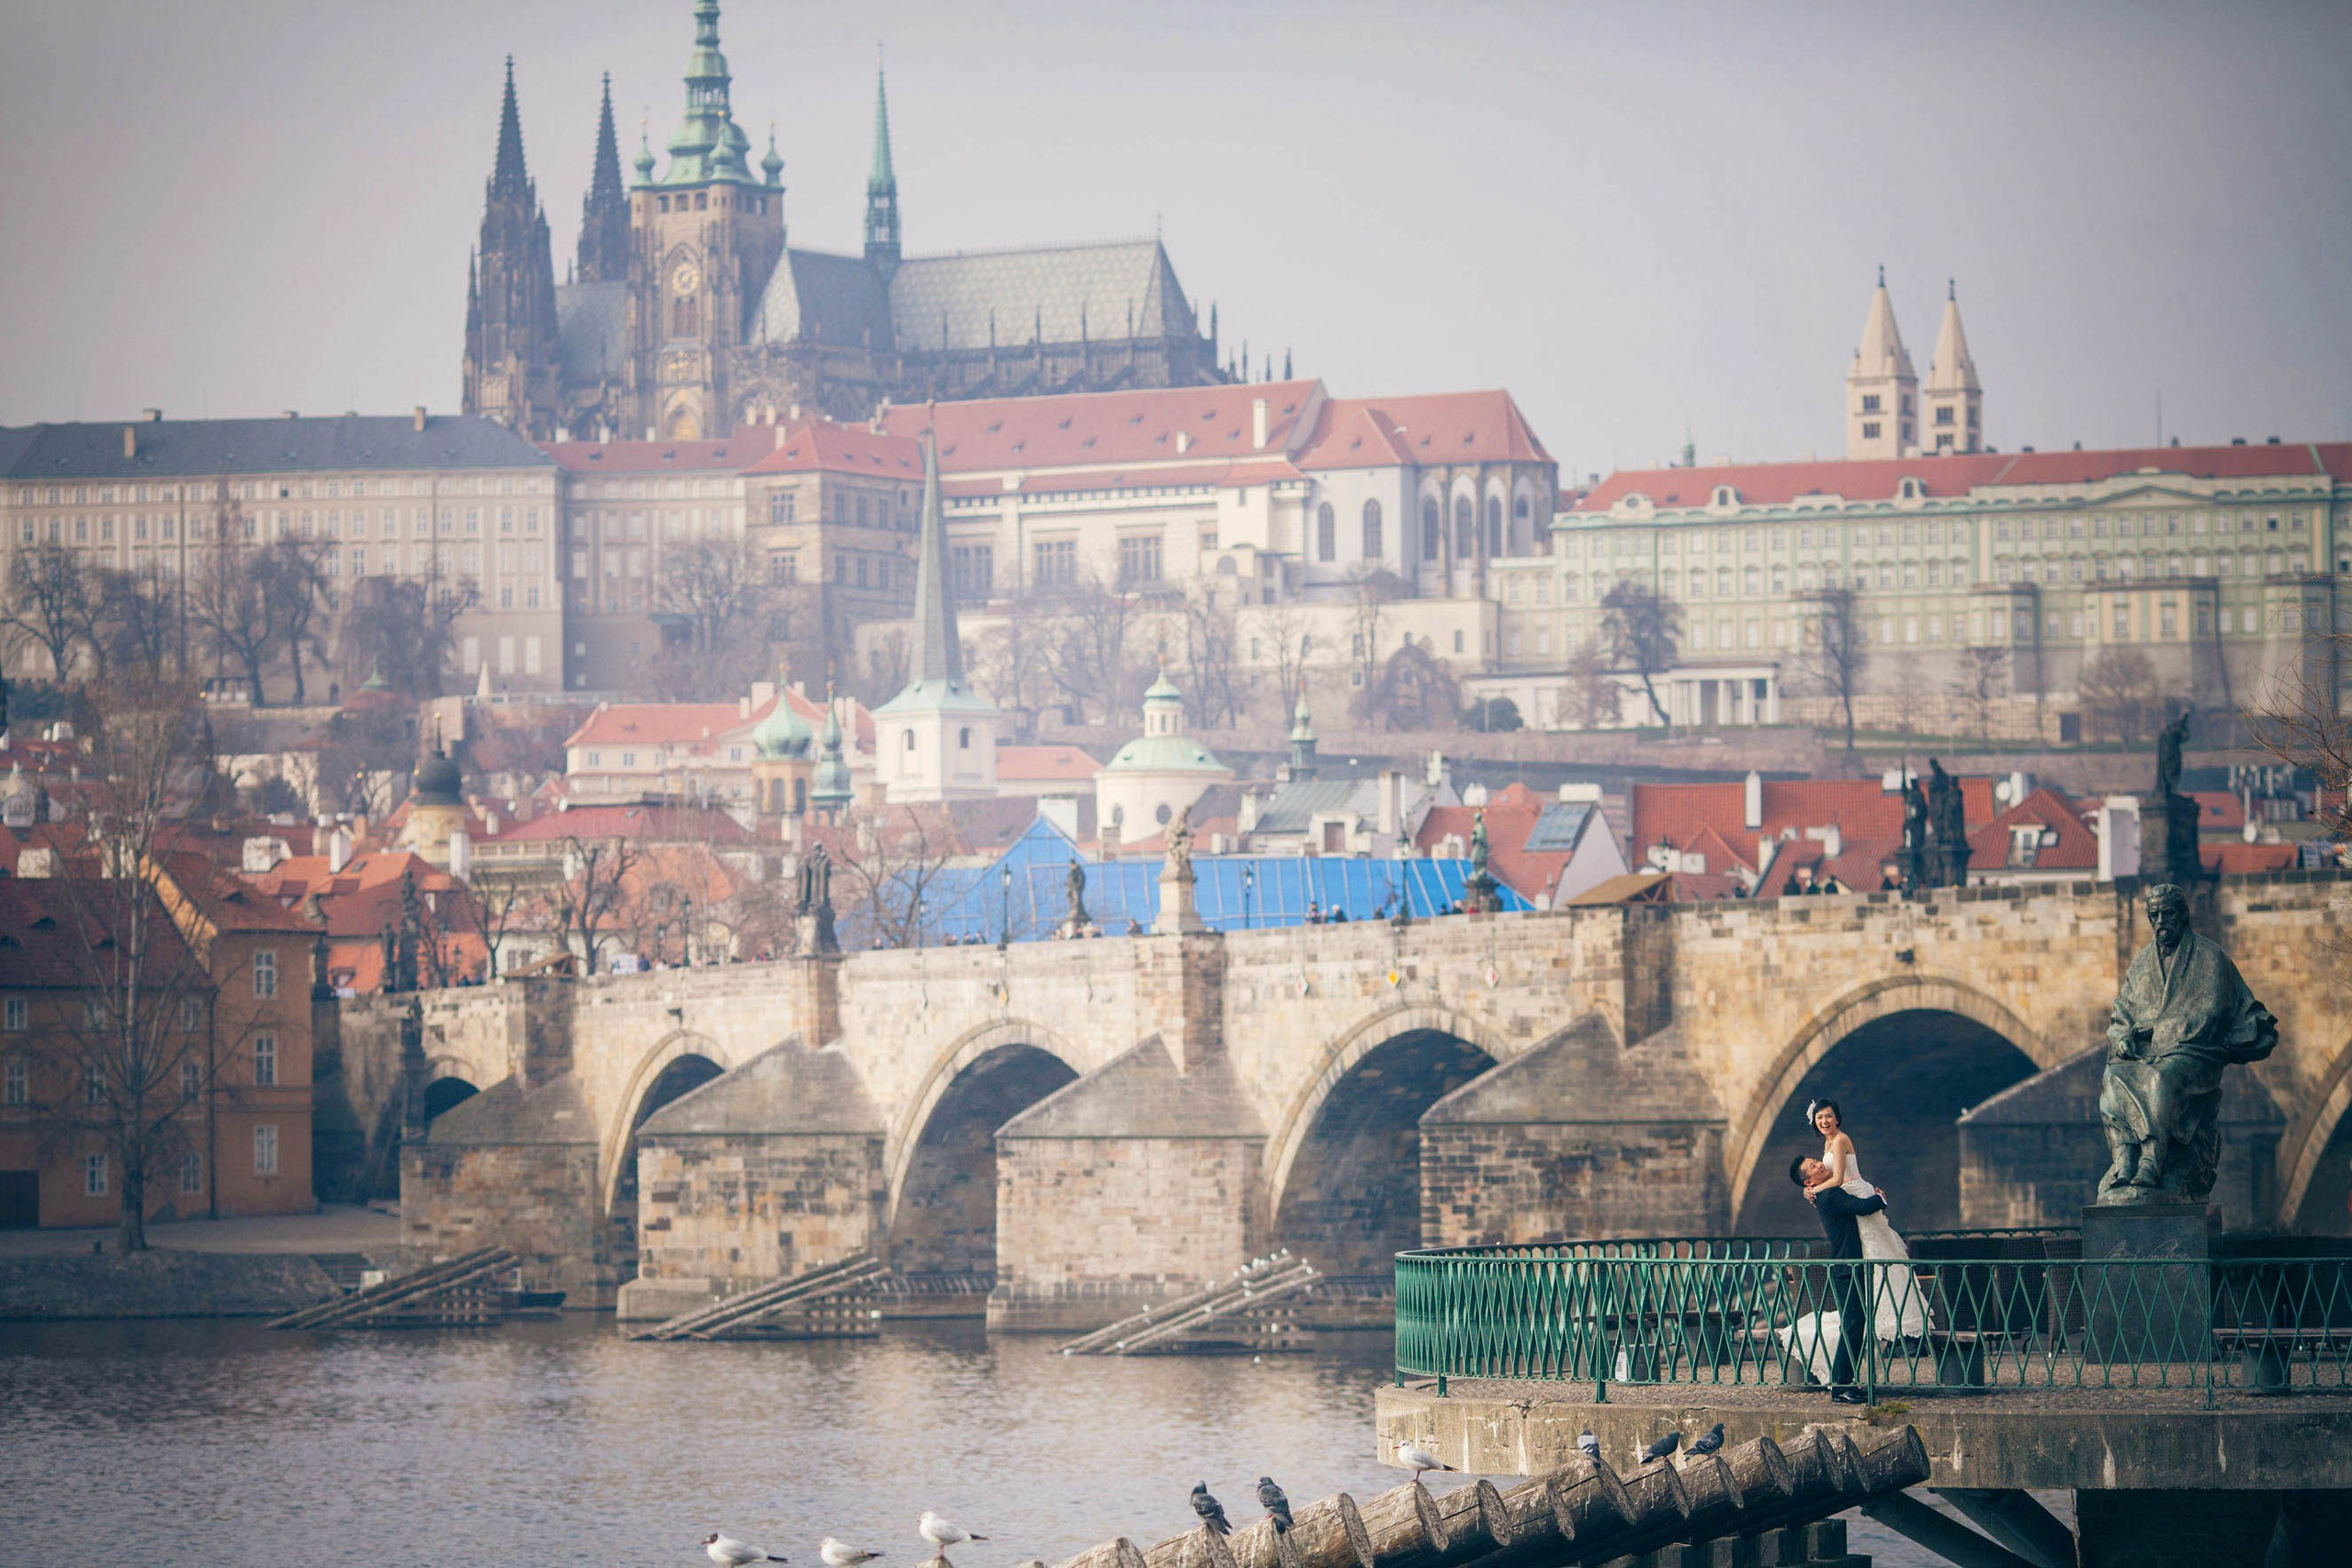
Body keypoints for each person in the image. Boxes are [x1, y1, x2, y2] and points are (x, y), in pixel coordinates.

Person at [1801, 1099, 1928, 1345]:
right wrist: (1808, 1189)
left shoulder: (1840, 1139)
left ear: (1837, 1117)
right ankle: (1868, 1315)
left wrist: (1814, 1191)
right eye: (1820, 1118)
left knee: (1875, 1256)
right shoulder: (1828, 1142)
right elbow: (1824, 1178)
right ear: (1815, 1122)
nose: (1825, 1121)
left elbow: (1836, 1178)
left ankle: (1888, 1318)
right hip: (1846, 1199)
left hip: (1854, 1194)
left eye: (1828, 1116)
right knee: (1862, 1254)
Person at [1783, 1153, 1887, 1404]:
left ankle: (1847, 1382)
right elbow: (1863, 1207)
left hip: (1849, 1265)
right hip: (1846, 1267)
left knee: (1855, 1323)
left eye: (1815, 1161)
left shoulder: (1825, 1192)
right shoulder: (1829, 1195)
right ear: (1809, 1182)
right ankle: (1840, 1386)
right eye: (1813, 1166)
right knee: (1852, 1324)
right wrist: (1880, 1197)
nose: (1819, 1164)